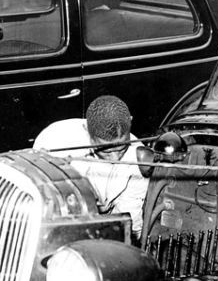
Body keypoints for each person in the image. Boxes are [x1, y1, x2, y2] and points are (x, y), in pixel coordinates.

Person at [34, 95, 148, 240]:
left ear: (130, 122)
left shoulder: (139, 157)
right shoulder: (54, 141)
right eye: (106, 151)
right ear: (86, 130)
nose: (115, 159)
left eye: (121, 148)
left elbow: (130, 214)